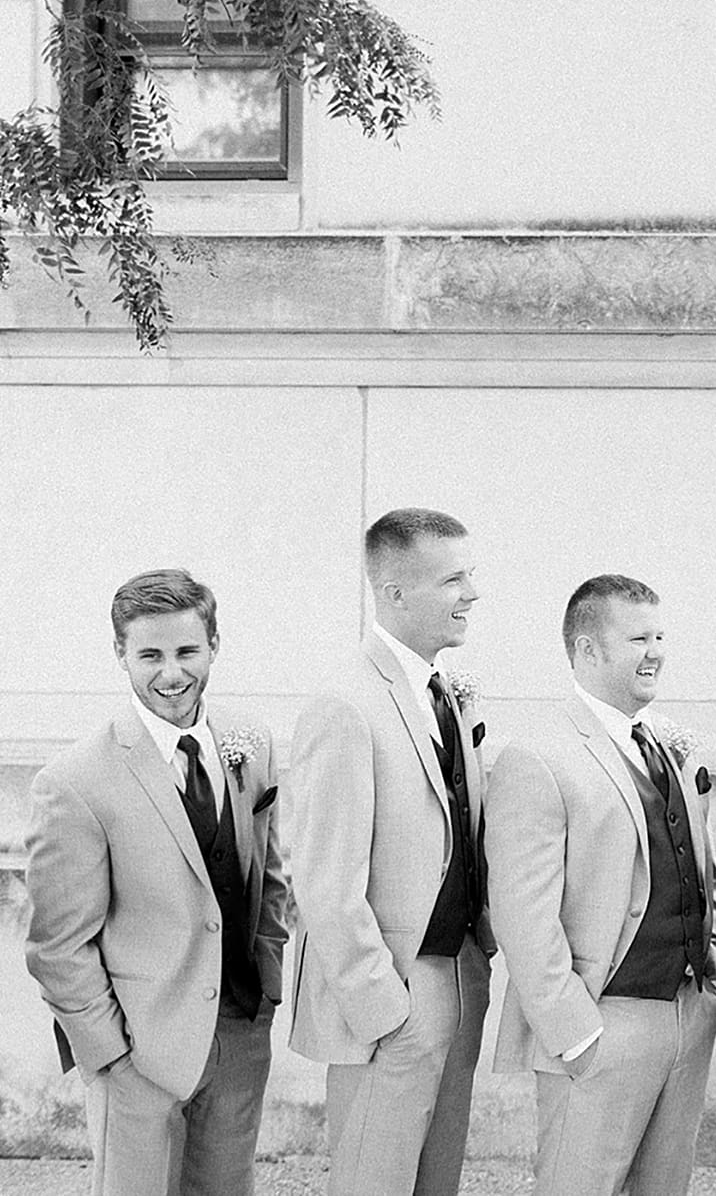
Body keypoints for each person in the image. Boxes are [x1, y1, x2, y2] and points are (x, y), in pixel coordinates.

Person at [25, 568, 290, 1196]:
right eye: (150, 655)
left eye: (187, 652)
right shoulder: (76, 779)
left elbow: (269, 875)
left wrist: (268, 989)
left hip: (239, 1031)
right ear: (120, 655)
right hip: (138, 1048)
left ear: (214, 645)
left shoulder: (250, 742)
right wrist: (109, 1055)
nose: (172, 674)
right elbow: (57, 945)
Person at [487, 574, 716, 1195]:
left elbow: (702, 870)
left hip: (686, 1015)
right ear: (587, 650)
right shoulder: (537, 756)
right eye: (638, 637)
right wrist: (577, 1033)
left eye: (660, 635)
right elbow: (521, 915)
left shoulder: (666, 746)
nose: (656, 651)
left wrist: (710, 992)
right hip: (601, 1022)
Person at [285, 508, 493, 1196]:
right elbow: (324, 881)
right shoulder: (346, 703)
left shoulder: (443, 695)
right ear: (396, 592)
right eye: (453, 579)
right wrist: (386, 1008)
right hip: (394, 995)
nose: (472, 593)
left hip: (457, 978)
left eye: (471, 575)